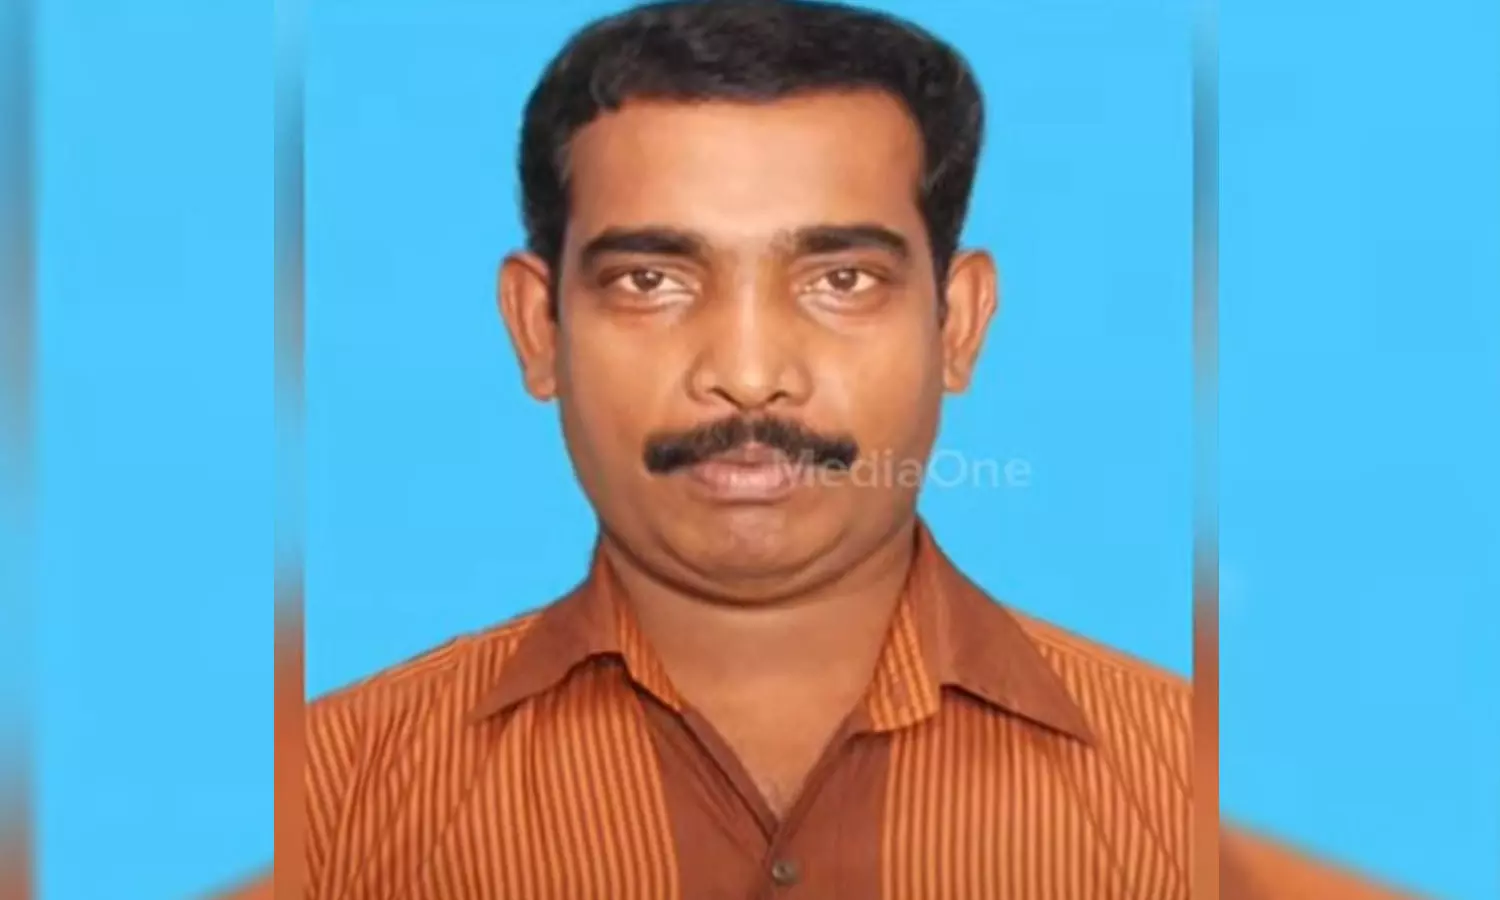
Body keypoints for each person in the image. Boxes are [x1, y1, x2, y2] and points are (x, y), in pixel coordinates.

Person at [233, 1, 1411, 897]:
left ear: (960, 323)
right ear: (538, 329)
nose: (749, 372)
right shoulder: (336, 804)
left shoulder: (1196, 799)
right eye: (651, 280)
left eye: (841, 280)